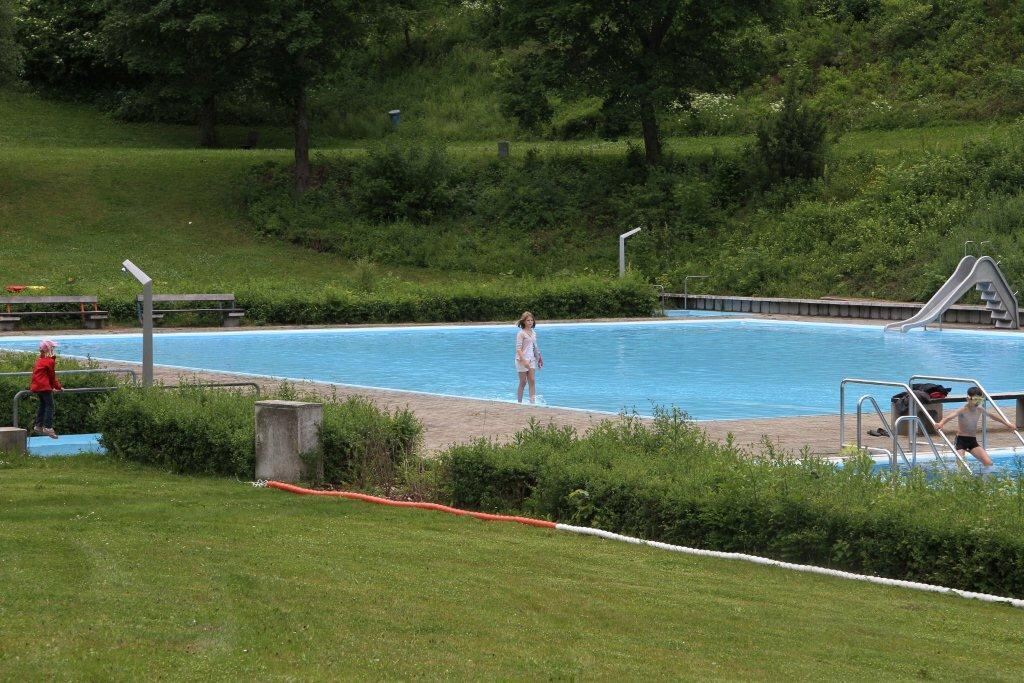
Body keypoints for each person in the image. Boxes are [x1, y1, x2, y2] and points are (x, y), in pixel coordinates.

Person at [935, 387, 1012, 466]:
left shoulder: (979, 409)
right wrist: (941, 423)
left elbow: (993, 416)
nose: (977, 403)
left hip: (972, 441)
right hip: (961, 441)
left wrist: (1007, 424)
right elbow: (949, 417)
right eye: (975, 399)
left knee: (988, 463)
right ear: (968, 399)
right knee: (961, 466)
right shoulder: (963, 410)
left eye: (980, 400)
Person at [30, 339, 62, 439]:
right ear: (49, 350)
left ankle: (38, 425)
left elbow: (42, 375)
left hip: (37, 387)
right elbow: (52, 377)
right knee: (50, 406)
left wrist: (52, 387)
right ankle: (48, 427)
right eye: (52, 348)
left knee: (43, 405)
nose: (53, 349)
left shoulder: (39, 360)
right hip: (44, 387)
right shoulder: (49, 361)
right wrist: (58, 387)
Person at [514, 311, 543, 404]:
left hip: (532, 359)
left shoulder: (534, 333)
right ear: (524, 322)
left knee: (532, 380)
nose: (530, 322)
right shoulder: (521, 333)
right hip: (521, 360)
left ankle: (532, 402)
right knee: (523, 382)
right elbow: (518, 349)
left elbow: (535, 346)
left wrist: (539, 357)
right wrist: (524, 361)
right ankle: (519, 403)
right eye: (528, 320)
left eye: (531, 320)